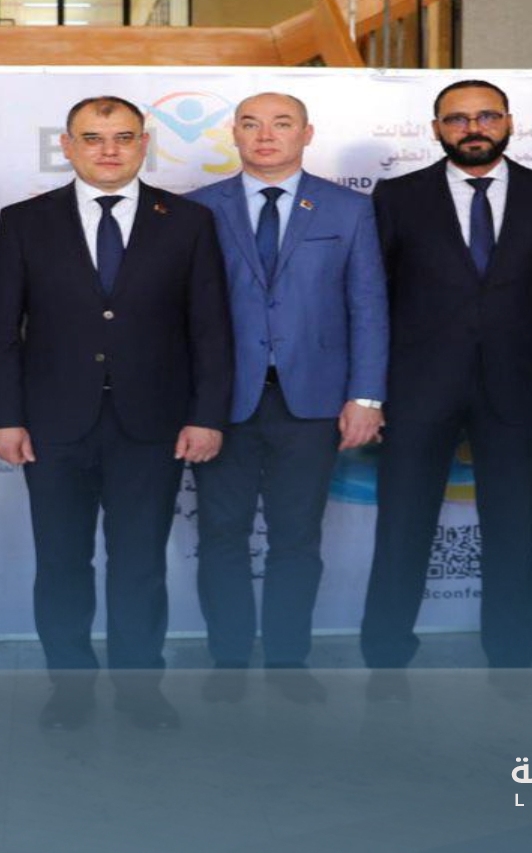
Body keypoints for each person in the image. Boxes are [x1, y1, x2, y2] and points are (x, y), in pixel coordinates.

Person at [0, 95, 232, 731]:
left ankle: (140, 690)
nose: (109, 149)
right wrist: (3, 416)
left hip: (153, 425)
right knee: (62, 565)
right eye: (92, 138)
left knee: (140, 565)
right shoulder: (23, 221)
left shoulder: (189, 221)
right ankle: (69, 689)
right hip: (52, 427)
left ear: (144, 144)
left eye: (123, 136)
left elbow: (210, 328)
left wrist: (207, 415)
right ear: (66, 146)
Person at [360, 79, 532, 695]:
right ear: (436, 129)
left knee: (512, 530)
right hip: (417, 389)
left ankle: (512, 662)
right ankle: (386, 659)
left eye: (486, 116)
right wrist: (370, 393)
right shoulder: (397, 196)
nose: (472, 128)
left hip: (516, 388)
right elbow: (373, 300)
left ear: (509, 122)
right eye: (457, 119)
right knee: (401, 528)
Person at [184, 92, 386, 704]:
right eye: (251, 124)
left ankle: (288, 659)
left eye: (281, 123)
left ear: (307, 133)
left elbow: (367, 305)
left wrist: (367, 396)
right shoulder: (196, 209)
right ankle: (228, 658)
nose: (265, 135)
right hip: (223, 403)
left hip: (314, 402)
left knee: (297, 537)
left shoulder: (349, 208)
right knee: (221, 535)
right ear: (234, 135)